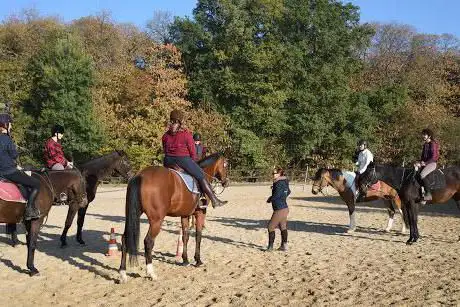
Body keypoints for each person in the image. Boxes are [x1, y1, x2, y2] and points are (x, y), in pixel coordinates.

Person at [162, 109, 227, 208]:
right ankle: (214, 200)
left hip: (167, 161)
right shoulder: (186, 134)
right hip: (183, 160)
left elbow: (164, 149)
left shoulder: (165, 135)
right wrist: (194, 162)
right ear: (180, 121)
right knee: (201, 175)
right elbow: (192, 153)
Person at [0, 114, 41, 220]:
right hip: (10, 172)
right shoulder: (7, 139)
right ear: (6, 125)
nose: (11, 127)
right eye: (10, 124)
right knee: (36, 184)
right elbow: (14, 155)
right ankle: (29, 210)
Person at [266, 167, 290, 251]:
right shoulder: (284, 181)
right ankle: (284, 245)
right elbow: (288, 191)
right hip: (285, 208)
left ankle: (270, 247)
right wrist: (283, 198)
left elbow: (277, 195)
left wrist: (270, 199)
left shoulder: (278, 183)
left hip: (279, 209)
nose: (273, 175)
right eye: (272, 173)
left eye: (274, 173)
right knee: (282, 226)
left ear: (279, 174)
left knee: (270, 226)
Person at [415, 128, 439, 204]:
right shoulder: (425, 144)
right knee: (415, 174)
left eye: (424, 134)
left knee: (422, 175)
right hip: (425, 163)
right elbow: (422, 157)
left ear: (429, 136)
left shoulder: (433, 144)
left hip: (432, 164)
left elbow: (434, 157)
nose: (423, 136)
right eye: (423, 134)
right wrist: (418, 162)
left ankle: (428, 194)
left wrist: (425, 163)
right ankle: (421, 194)